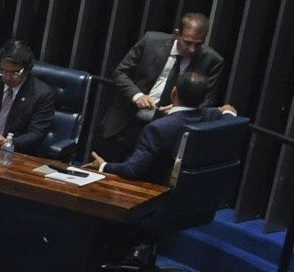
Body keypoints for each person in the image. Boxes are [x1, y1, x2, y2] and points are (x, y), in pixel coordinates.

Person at [97, 12, 228, 157]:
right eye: (188, 42)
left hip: (164, 135)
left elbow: (208, 100)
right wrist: (137, 95)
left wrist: (181, 109)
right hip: (125, 125)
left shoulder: (212, 61)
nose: (192, 49)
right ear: (177, 34)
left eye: (198, 45)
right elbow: (120, 73)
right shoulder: (151, 42)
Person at [91, 70, 224, 183]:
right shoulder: (212, 117)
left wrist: (103, 165)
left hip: (154, 189)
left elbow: (132, 170)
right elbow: (228, 111)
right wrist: (226, 110)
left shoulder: (157, 129)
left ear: (174, 92)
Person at [0, 43, 56, 156]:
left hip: (18, 154)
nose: (7, 77)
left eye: (14, 73)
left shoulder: (42, 94)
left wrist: (8, 142)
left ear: (27, 70)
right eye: (3, 71)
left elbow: (36, 134)